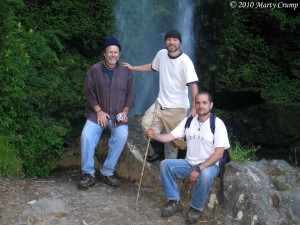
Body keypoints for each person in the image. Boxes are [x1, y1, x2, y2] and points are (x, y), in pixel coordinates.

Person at [147, 91, 230, 224]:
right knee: (165, 165)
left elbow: (219, 153)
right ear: (194, 104)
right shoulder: (188, 121)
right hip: (189, 163)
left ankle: (195, 208)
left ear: (211, 105)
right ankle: (174, 201)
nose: (200, 105)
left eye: (204, 103)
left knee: (206, 175)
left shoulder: (217, 124)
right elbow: (169, 136)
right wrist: (156, 136)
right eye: (197, 102)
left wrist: (199, 169)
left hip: (209, 166)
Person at [123, 29, 199, 162]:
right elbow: (152, 67)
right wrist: (132, 68)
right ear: (165, 42)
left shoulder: (185, 61)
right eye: (169, 39)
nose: (171, 42)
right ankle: (159, 153)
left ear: (180, 42)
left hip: (177, 107)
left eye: (175, 40)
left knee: (178, 139)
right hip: (160, 103)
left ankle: (181, 161)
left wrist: (194, 108)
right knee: (147, 126)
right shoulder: (161, 54)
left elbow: (194, 85)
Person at [78, 37, 135, 189]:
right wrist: (99, 111)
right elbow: (89, 92)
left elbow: (131, 93)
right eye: (110, 52)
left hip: (118, 114)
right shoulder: (95, 70)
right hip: (96, 114)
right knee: (86, 136)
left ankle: (106, 171)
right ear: (104, 53)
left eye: (116, 52)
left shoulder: (125, 71)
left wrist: (125, 111)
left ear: (119, 54)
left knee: (122, 135)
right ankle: (88, 174)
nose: (113, 55)